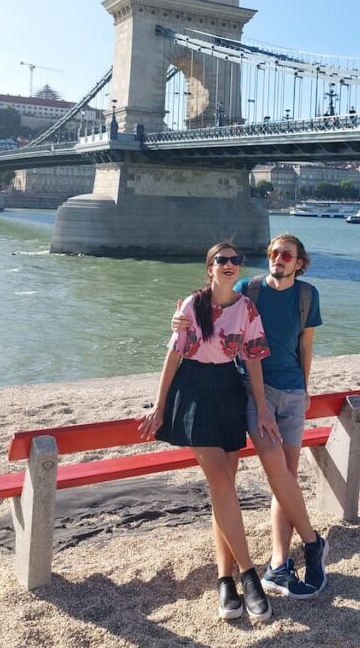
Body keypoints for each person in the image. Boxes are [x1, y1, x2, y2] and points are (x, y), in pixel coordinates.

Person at [175, 233, 329, 598]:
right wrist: (180, 319)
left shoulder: (308, 296)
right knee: (277, 469)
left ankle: (277, 563)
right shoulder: (250, 290)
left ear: (299, 262)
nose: (278, 258)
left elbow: (306, 345)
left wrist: (305, 389)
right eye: (273, 252)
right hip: (254, 393)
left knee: (285, 477)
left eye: (286, 254)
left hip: (292, 393)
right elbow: (214, 305)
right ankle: (312, 543)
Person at [140, 243, 279, 623]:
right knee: (220, 481)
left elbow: (252, 359)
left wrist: (263, 410)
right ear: (210, 269)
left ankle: (223, 580)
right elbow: (174, 355)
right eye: (222, 260)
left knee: (225, 490)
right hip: (194, 392)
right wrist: (160, 405)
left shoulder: (247, 309)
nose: (231, 264)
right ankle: (248, 574)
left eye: (235, 260)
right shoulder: (191, 305)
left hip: (229, 392)